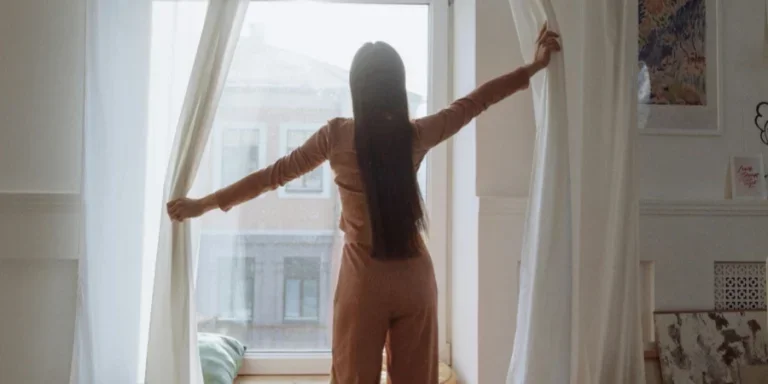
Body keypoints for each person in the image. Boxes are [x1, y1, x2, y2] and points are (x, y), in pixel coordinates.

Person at [167, 24, 560, 384]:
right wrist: (534, 66)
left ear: (358, 89)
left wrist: (204, 203)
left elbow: (273, 174)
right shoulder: (415, 135)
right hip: (415, 279)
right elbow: (474, 103)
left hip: (364, 282)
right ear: (396, 87)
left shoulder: (337, 136)